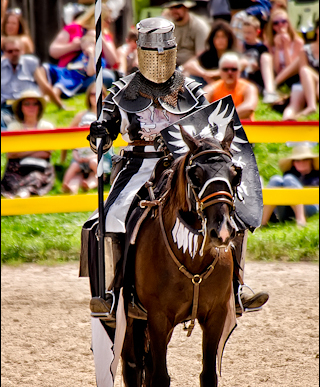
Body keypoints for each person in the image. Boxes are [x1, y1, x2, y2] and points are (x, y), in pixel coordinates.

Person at [81, 17, 268, 328]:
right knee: (111, 216)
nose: (158, 60)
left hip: (185, 165)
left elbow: (212, 128)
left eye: (164, 53)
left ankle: (235, 288)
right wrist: (100, 132)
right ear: (140, 52)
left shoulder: (191, 89)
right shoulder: (120, 90)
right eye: (152, 53)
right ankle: (113, 293)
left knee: (230, 211)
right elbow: (102, 140)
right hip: (137, 164)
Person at [49, 4, 119, 89]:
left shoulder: (105, 35)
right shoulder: (74, 28)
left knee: (107, 77)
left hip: (92, 74)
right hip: (70, 72)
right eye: (107, 21)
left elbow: (113, 61)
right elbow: (53, 51)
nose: (109, 24)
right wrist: (73, 46)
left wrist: (100, 37)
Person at [1, 90, 55, 199]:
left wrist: (22, 151)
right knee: (11, 180)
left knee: (36, 177)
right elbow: (11, 154)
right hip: (16, 167)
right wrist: (37, 148)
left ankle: (23, 195)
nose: (31, 107)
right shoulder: (13, 127)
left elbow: (47, 154)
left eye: (35, 104)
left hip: (39, 167)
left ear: (39, 107)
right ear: (21, 107)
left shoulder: (47, 126)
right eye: (27, 104)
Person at [1, 37, 65, 130]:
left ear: (23, 51)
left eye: (17, 50)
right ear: (5, 52)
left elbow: (44, 85)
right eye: (10, 51)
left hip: (28, 104)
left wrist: (60, 105)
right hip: (6, 107)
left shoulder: (30, 63)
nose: (14, 54)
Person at [61, 82, 108, 194]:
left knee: (95, 169)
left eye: (99, 94)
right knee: (76, 171)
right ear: (88, 96)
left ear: (105, 96)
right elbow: (68, 135)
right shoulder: (81, 116)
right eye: (93, 94)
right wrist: (69, 155)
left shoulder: (108, 116)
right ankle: (70, 186)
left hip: (100, 154)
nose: (96, 97)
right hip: (81, 154)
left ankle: (91, 183)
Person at [261, 144, 319, 227]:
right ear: (293, 163)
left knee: (288, 179)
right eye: (297, 160)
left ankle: (301, 220)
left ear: (311, 161)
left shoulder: (316, 176)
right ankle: (262, 223)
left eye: (305, 159)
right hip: (286, 210)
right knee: (276, 179)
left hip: (311, 207)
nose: (301, 163)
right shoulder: (290, 174)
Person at [40, 31, 103, 100]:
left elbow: (90, 73)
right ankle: (43, 91)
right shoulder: (82, 55)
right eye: (83, 50)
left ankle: (48, 99)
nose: (85, 52)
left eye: (86, 49)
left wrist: (91, 55)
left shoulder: (98, 59)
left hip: (74, 78)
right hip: (65, 71)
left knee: (60, 85)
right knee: (45, 67)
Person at [261, 7, 304, 103]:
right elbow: (276, 68)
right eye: (276, 23)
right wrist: (276, 47)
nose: (280, 25)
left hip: (292, 76)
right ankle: (270, 90)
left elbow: (291, 67)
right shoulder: (269, 43)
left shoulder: (297, 42)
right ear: (272, 26)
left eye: (283, 21)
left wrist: (286, 47)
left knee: (300, 58)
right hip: (276, 73)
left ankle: (272, 86)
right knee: (265, 56)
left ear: (288, 23)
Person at [280, 18, 319, 119]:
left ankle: (311, 106)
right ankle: (287, 122)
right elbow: (302, 73)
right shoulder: (305, 50)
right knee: (294, 104)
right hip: (307, 83)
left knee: (306, 71)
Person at [181, 19, 239, 86]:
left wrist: (213, 74)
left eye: (223, 37)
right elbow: (190, 65)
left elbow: (242, 64)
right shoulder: (209, 55)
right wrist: (205, 74)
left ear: (229, 39)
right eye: (217, 37)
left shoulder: (233, 55)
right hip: (208, 85)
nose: (220, 40)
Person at [204, 51, 259, 120]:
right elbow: (200, 108)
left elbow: (249, 107)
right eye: (225, 69)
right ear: (220, 72)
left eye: (234, 69)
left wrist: (222, 118)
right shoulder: (210, 89)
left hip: (244, 128)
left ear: (239, 71)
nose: (229, 72)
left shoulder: (249, 87)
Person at [161, 0, 211, 67]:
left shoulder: (199, 26)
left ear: (186, 8)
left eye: (178, 7)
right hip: (169, 67)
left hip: (192, 68)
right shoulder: (168, 27)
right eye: (171, 8)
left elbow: (201, 55)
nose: (174, 11)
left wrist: (186, 67)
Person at [240, 15, 269, 94]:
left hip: (256, 78)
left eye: (249, 33)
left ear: (257, 32)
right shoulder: (242, 46)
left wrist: (258, 67)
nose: (246, 35)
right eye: (244, 32)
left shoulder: (262, 47)